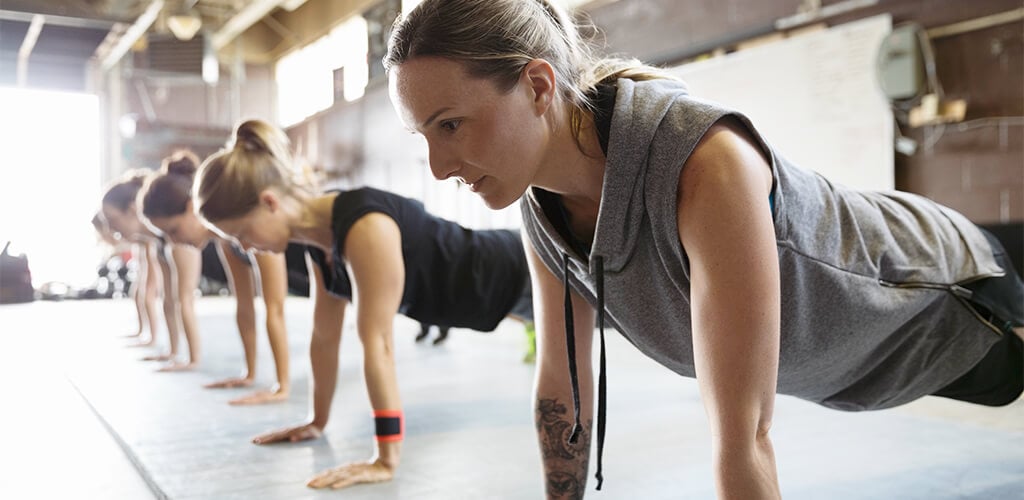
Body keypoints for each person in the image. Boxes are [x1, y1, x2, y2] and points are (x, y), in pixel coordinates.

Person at [383, 1, 1024, 498]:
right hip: (860, 370)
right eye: (424, 136)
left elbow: (742, 439)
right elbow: (563, 391)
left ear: (539, 86)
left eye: (451, 124)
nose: (439, 167)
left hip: (955, 297)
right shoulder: (540, 204)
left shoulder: (703, 166)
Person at [192, 119, 535, 490]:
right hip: (503, 298)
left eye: (242, 234)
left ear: (269, 202)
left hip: (524, 271)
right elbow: (324, 337)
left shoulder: (365, 224)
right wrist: (316, 421)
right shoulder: (320, 242)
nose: (246, 247)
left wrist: (385, 458)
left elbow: (379, 344)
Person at [139, 150, 292, 404]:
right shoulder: (224, 238)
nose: (173, 242)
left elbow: (274, 308)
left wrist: (281, 387)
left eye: (173, 230)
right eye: (165, 236)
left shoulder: (247, 219)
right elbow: (245, 306)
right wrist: (249, 374)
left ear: (191, 208)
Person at [102, 171, 203, 371]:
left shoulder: (177, 239)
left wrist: (192, 362)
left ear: (132, 211)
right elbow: (167, 300)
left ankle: (193, 358)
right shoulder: (153, 241)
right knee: (170, 298)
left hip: (189, 255)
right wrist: (172, 354)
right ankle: (175, 351)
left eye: (113, 220)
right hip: (164, 248)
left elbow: (185, 300)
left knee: (183, 298)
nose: (113, 229)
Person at [92, 212, 161, 343]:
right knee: (137, 293)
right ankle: (143, 332)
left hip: (152, 258)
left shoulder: (137, 232)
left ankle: (152, 338)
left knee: (147, 295)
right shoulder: (127, 236)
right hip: (144, 259)